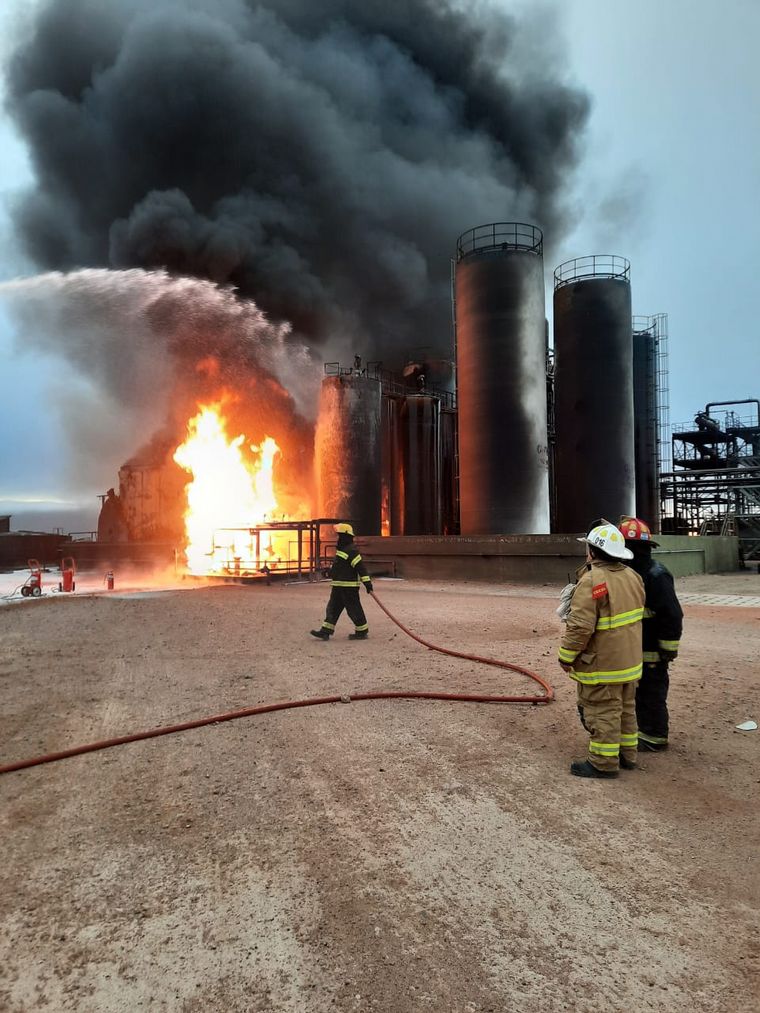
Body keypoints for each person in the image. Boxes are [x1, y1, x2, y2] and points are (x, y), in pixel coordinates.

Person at [558, 521, 645, 779]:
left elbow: (580, 627)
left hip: (603, 664)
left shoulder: (592, 580)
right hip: (629, 662)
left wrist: (566, 656)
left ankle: (603, 763)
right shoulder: (633, 576)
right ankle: (628, 755)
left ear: (593, 551)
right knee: (626, 709)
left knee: (602, 711)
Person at [619, 516, 683, 752]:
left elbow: (672, 614)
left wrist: (667, 649)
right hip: (634, 648)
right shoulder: (630, 573)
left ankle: (655, 737)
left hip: (652, 650)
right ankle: (641, 731)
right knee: (637, 693)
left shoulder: (656, 575)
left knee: (651, 692)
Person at [310, 523, 373, 640]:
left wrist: (367, 583)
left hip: (349, 587)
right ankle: (325, 631)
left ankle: (362, 631)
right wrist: (330, 571)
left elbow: (360, 568)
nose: (338, 538)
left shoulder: (352, 551)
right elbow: (340, 567)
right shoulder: (342, 550)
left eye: (339, 535)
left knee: (353, 609)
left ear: (345, 536)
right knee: (332, 608)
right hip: (338, 586)